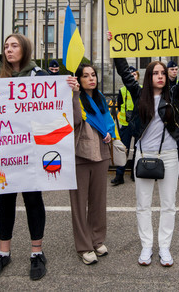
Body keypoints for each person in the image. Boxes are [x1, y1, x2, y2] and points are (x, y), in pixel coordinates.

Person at [109, 30, 179, 267]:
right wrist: (115, 48)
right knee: (143, 204)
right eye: (156, 73)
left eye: (163, 73)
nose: (160, 76)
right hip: (143, 156)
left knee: (168, 204)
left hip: (170, 157)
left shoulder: (174, 94)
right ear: (149, 76)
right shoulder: (139, 95)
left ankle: (165, 248)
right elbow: (124, 74)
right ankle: (146, 247)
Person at [0, 34, 48, 281]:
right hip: (5, 152)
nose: (9, 50)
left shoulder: (39, 77)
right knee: (5, 201)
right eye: (5, 46)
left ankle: (36, 252)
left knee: (33, 200)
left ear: (25, 49)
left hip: (31, 153)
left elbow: (54, 105)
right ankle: (3, 253)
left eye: (14, 45)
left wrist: (71, 89)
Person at [68, 64, 114, 265]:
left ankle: (96, 239)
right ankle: (84, 246)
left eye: (93, 75)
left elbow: (109, 122)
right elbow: (76, 121)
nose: (91, 79)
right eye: (85, 76)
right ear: (79, 79)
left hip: (101, 155)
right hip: (80, 155)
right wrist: (76, 95)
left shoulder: (101, 98)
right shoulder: (73, 98)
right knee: (79, 204)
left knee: (98, 201)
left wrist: (110, 133)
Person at [111, 65, 140, 186]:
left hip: (139, 124)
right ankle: (119, 175)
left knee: (138, 150)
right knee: (123, 150)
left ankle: (135, 173)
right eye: (130, 75)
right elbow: (119, 105)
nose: (132, 77)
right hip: (126, 124)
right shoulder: (122, 90)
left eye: (134, 75)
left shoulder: (141, 89)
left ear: (138, 76)